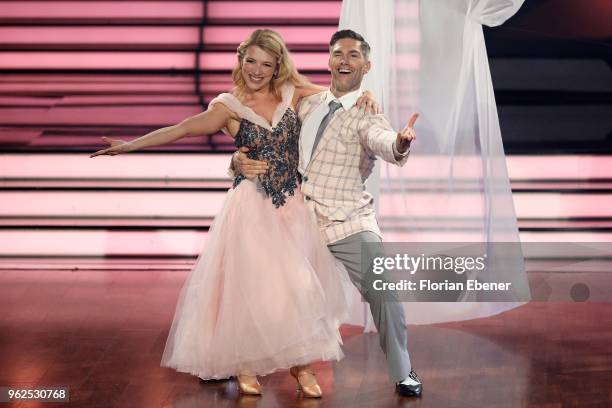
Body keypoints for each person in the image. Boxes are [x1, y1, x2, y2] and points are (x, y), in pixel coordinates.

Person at [90, 29, 380, 398]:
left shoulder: (292, 93)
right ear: (240, 61)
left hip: (293, 207)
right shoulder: (226, 106)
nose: (257, 70)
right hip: (251, 209)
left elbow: (337, 95)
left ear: (277, 67)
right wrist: (130, 145)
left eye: (266, 64)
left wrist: (367, 93)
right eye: (251, 61)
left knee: (296, 287)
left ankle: (301, 364)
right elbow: (181, 130)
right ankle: (245, 365)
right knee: (254, 289)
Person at [234, 29, 423, 397]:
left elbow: (383, 140)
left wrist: (400, 143)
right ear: (329, 61)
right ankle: (235, 360)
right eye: (338, 53)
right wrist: (238, 159)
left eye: (354, 55)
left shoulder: (368, 113)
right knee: (261, 289)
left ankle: (403, 372)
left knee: (384, 291)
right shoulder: (307, 102)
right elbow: (264, 136)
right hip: (296, 218)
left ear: (366, 65)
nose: (345, 60)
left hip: (348, 220)